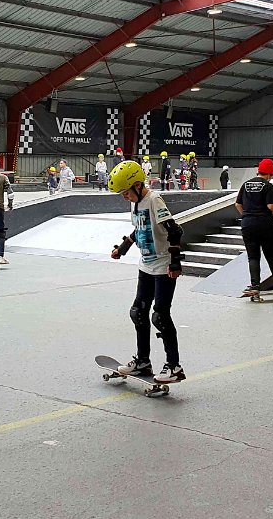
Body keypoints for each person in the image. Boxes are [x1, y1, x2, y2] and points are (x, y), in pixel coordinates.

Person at [107, 160, 186, 384]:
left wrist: (175, 262)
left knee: (160, 316)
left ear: (138, 185)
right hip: (146, 265)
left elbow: (174, 230)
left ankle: (174, 366)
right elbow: (139, 228)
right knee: (138, 313)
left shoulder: (153, 200)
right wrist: (123, 248)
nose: (124, 197)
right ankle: (143, 361)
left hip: (163, 266)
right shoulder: (136, 203)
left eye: (126, 192)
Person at [235, 159, 273, 298]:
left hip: (248, 224)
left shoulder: (246, 184)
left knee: (253, 257)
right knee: (271, 255)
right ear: (270, 174)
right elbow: (271, 206)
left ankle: (255, 287)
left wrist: (247, 215)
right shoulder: (268, 186)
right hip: (265, 224)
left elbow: (237, 204)